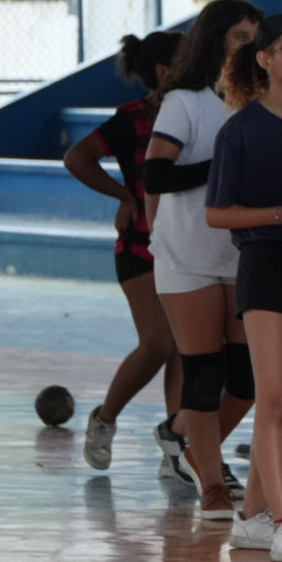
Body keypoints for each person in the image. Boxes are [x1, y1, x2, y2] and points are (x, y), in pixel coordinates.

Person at [205, 14, 282, 562]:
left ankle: (253, 518)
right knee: (272, 398)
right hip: (266, 263)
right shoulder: (240, 129)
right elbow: (216, 213)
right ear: (264, 60)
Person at [144, 0, 262, 519]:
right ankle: (212, 485)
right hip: (186, 254)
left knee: (247, 380)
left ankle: (192, 451)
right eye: (241, 35)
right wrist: (221, 170)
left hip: (240, 254)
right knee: (204, 375)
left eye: (256, 36)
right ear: (216, 39)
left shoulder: (261, 101)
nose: (250, 45)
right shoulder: (186, 102)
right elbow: (156, 176)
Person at [64, 31, 184, 470]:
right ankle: (104, 418)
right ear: (164, 71)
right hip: (140, 246)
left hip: (187, 247)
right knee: (157, 344)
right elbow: (77, 157)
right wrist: (124, 195)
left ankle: (178, 446)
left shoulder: (207, 112)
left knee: (186, 349)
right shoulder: (133, 118)